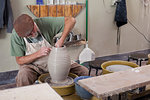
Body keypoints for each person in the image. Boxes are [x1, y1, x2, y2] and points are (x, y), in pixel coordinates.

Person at [11, 14, 89, 87]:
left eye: (32, 30)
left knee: (83, 71)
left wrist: (61, 40)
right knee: (23, 75)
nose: (33, 34)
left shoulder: (44, 23)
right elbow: (19, 60)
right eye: (29, 35)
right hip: (33, 66)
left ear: (33, 22)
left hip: (52, 61)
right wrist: (38, 54)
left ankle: (82, 95)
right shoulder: (16, 35)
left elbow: (71, 20)